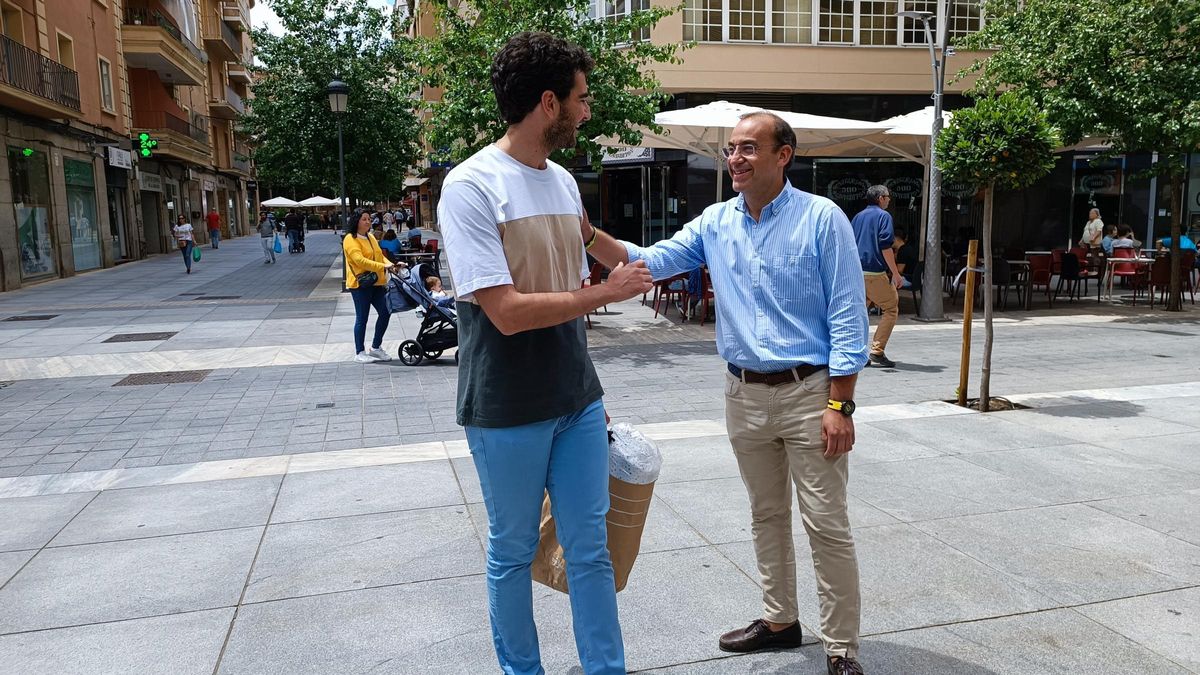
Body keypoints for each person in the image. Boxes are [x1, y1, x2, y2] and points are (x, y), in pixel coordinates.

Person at [585, 111, 869, 675]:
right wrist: (587, 234)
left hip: (808, 391)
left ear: (782, 155)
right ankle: (781, 620)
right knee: (765, 514)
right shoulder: (716, 222)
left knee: (825, 522)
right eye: (731, 150)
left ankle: (840, 648)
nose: (735, 159)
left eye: (747, 149)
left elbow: (847, 314)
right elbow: (650, 260)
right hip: (743, 393)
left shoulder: (821, 218)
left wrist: (840, 403)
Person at [438, 32, 652, 675]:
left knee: (590, 551)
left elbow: (598, 243)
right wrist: (604, 295)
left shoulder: (561, 181)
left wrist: (667, 259)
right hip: (506, 404)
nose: (588, 111)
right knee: (509, 550)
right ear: (549, 103)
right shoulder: (471, 186)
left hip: (576, 399)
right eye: (582, 99)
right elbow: (503, 312)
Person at [850, 185, 903, 368]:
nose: (889, 199)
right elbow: (885, 246)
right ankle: (877, 351)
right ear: (881, 198)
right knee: (891, 308)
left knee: (859, 312)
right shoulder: (883, 216)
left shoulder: (857, 217)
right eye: (888, 196)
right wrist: (896, 274)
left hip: (856, 272)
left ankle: (858, 352)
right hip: (874, 272)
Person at [344, 210, 397, 363]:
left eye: (369, 219)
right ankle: (359, 351)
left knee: (386, 311)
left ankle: (375, 347)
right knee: (362, 318)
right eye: (364, 219)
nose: (368, 222)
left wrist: (391, 265)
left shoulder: (371, 237)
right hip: (361, 284)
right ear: (356, 221)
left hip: (377, 282)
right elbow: (359, 261)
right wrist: (383, 266)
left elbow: (380, 256)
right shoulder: (350, 239)